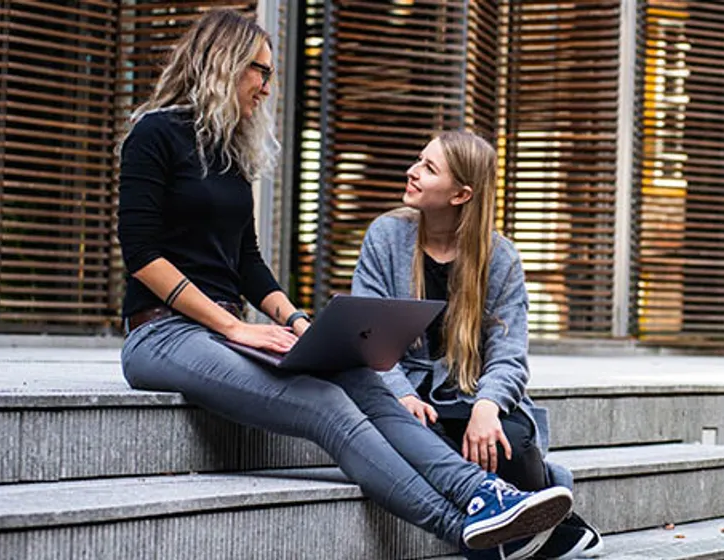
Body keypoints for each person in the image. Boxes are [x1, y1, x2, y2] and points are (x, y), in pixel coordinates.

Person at [115, 10, 571, 559]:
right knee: (324, 404)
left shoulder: (230, 153)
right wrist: (239, 326)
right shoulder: (154, 134)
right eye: (260, 70)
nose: (267, 84)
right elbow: (142, 255)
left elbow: (247, 262)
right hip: (163, 335)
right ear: (224, 63)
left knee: (364, 379)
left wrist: (298, 322)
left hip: (224, 332)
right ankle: (464, 529)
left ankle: (484, 494)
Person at [350, 130, 603, 559]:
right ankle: (554, 528)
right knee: (417, 438)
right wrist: (403, 394)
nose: (412, 172)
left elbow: (509, 354)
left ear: (460, 194)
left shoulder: (499, 256)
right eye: (418, 160)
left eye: (428, 169)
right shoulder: (386, 235)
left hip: (469, 394)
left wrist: (487, 407)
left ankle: (527, 519)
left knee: (508, 445)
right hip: (404, 392)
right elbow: (366, 332)